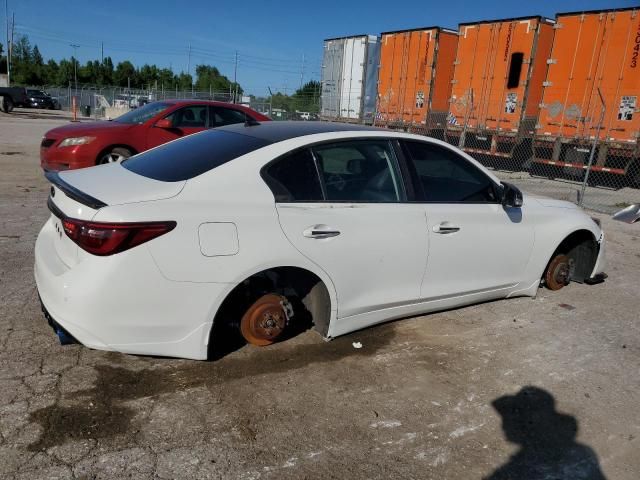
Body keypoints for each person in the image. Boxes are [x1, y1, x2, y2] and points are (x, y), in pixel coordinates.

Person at [486, 386, 606, 480]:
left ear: (527, 425)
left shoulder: (530, 465)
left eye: (510, 420)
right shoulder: (581, 452)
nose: (504, 426)